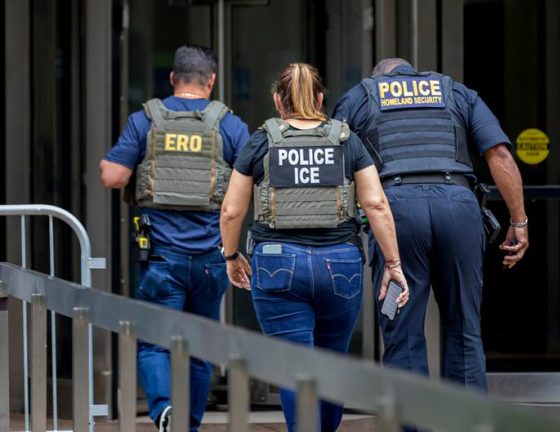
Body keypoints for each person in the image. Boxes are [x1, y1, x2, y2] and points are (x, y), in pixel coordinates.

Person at [220, 62, 409, 432]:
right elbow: (375, 204)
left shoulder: (262, 140)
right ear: (321, 98)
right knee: (331, 363)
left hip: (276, 265)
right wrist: (393, 262)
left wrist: (230, 255)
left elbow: (231, 209)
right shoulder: (346, 139)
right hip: (340, 264)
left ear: (278, 100)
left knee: (294, 368)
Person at [332, 59, 528, 400]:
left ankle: (412, 422)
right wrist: (519, 221)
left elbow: (332, 161)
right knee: (465, 327)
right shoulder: (456, 92)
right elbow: (499, 155)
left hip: (396, 215)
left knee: (402, 329)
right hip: (458, 208)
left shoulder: (362, 95)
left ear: (381, 79)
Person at [100, 45, 250, 431]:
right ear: (211, 81)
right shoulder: (229, 125)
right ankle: (190, 425)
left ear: (172, 79)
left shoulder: (145, 120)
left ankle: (164, 410)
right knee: (199, 350)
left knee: (153, 342)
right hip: (211, 257)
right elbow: (252, 181)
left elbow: (112, 178)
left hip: (160, 256)